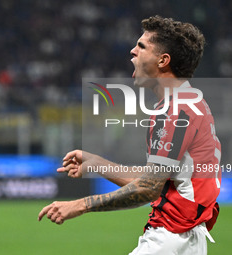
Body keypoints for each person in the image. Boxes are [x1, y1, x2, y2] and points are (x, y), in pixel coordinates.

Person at [38, 16, 221, 255]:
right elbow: (157, 180)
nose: (132, 51)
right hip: (187, 238)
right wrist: (97, 163)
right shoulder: (190, 102)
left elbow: (148, 188)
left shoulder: (176, 111)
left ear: (163, 60)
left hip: (170, 238)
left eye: (142, 46)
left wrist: (81, 204)